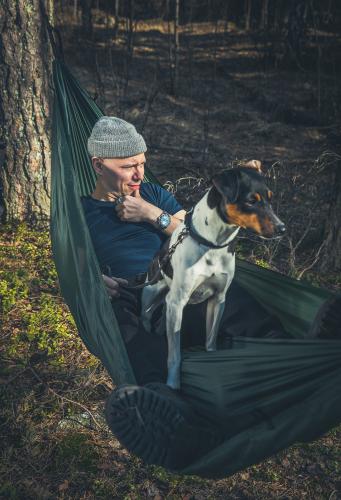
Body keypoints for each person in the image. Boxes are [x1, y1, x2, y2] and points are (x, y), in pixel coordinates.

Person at [82, 116, 339, 470]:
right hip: (130, 291)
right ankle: (169, 413)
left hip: (178, 275)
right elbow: (74, 265)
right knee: (126, 327)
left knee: (226, 287)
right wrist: (93, 280)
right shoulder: (82, 213)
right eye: (129, 166)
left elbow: (195, 231)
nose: (140, 173)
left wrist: (149, 214)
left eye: (143, 163)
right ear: (99, 165)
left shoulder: (152, 194)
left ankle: (297, 349)